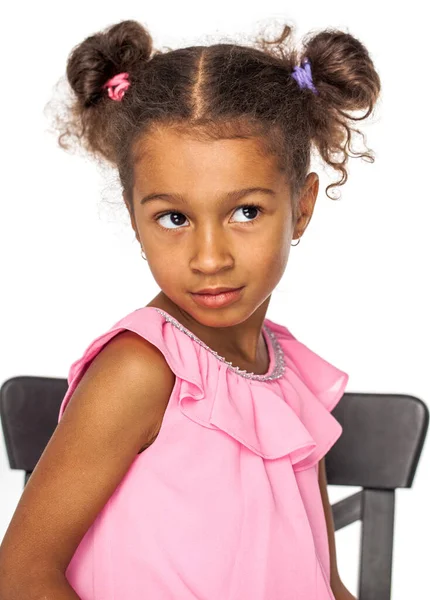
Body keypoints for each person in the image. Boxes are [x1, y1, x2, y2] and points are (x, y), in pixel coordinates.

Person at [0, 18, 381, 600]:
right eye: (174, 218)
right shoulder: (141, 371)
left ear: (301, 206)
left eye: (246, 212)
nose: (209, 257)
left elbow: (323, 582)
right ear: (134, 216)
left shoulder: (287, 371)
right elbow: (22, 575)